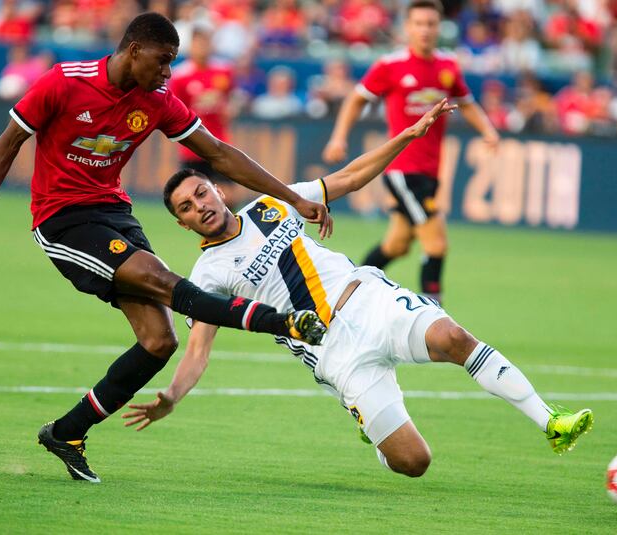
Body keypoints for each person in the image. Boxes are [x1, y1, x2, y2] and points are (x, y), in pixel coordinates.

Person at [0, 12, 330, 484]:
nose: (167, 74)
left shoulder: (158, 101)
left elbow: (220, 154)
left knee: (160, 341)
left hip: (114, 213)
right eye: (163, 62)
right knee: (167, 283)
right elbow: (9, 142)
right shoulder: (64, 82)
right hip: (63, 220)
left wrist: (294, 197)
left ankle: (68, 431)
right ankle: (281, 322)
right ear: (134, 49)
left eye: (172, 64)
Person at [123, 98, 593, 479]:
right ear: (183, 224)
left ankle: (550, 419)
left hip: (367, 299)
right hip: (333, 353)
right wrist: (172, 396)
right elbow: (199, 348)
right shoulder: (206, 274)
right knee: (414, 464)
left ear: (219, 191)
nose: (199, 205)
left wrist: (407, 137)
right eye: (186, 207)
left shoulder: (272, 205)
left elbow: (346, 176)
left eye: (201, 193)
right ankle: (370, 427)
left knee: (452, 338)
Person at [322, 0, 499, 305]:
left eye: (430, 24)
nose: (425, 30)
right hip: (402, 169)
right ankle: (434, 317)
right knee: (437, 244)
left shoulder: (447, 66)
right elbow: (356, 99)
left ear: (439, 27)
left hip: (430, 170)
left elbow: (466, 101)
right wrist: (339, 137)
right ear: (407, 27)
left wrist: (487, 130)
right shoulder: (391, 66)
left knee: (397, 245)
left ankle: (344, 294)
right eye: (418, 24)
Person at [169, 25, 242, 208]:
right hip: (193, 146)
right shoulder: (180, 76)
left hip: (220, 142)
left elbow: (234, 97)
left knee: (229, 197)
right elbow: (173, 109)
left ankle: (233, 234)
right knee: (196, 200)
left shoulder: (224, 70)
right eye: (199, 43)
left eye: (206, 42)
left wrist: (231, 107)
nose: (203, 47)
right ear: (191, 46)